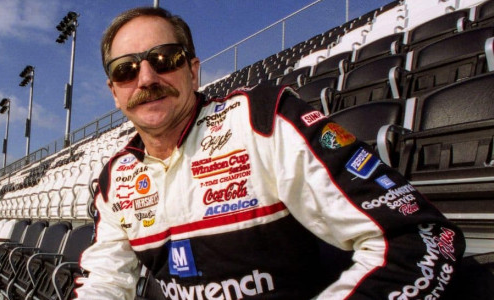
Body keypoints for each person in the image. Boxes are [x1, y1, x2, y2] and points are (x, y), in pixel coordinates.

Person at [75, 6, 466, 300]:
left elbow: (419, 238)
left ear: (193, 71)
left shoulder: (265, 120)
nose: (146, 78)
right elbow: (105, 281)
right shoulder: (116, 178)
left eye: (164, 59)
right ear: (115, 92)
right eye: (126, 70)